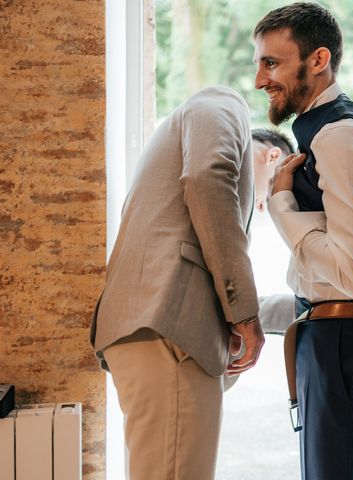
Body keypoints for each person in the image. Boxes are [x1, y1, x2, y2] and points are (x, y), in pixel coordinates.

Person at [253, 3, 353, 479]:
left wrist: (282, 208)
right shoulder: (321, 131)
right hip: (328, 337)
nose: (259, 79)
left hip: (344, 340)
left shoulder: (339, 135)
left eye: (271, 63)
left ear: (318, 60)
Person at [90, 86, 265, 480]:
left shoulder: (168, 147)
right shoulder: (222, 102)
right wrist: (243, 312)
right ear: (271, 153)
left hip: (151, 324)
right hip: (168, 322)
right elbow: (206, 177)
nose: (261, 200)